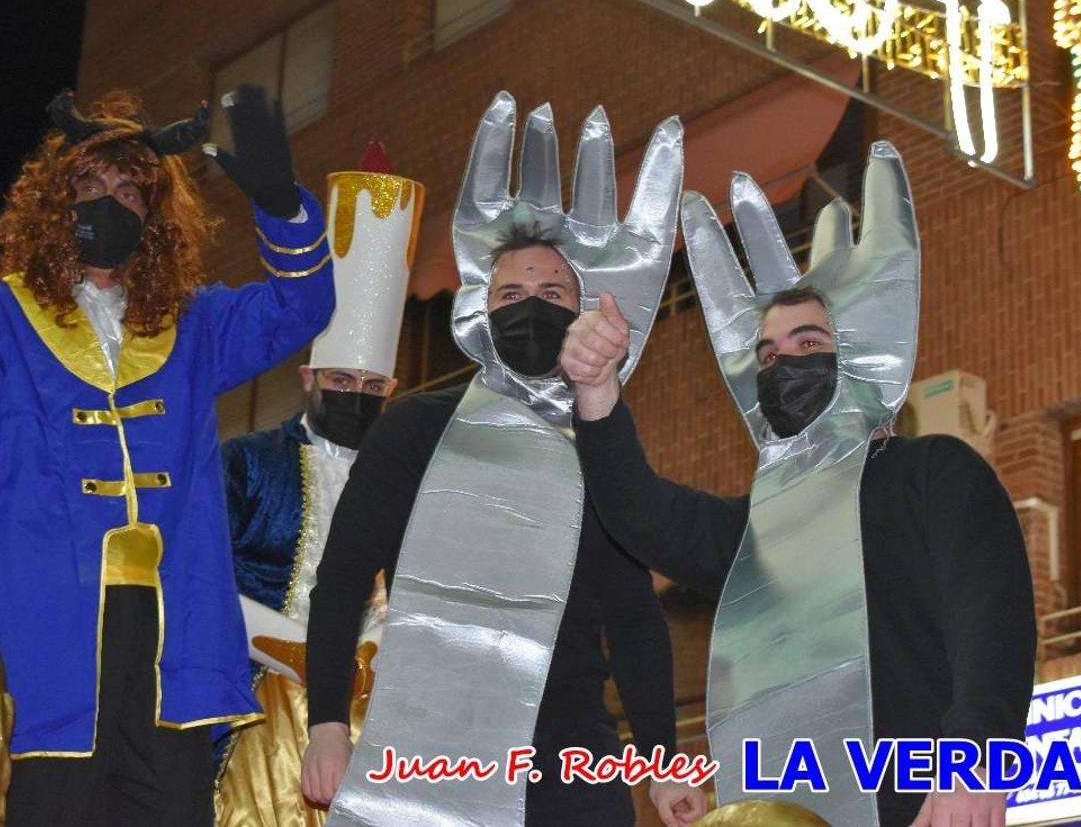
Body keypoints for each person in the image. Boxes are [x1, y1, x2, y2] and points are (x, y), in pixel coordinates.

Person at [0, 83, 335, 826]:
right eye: (91, 184)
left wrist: (282, 207)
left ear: (155, 219)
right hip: (45, 634)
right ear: (52, 203)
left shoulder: (193, 325)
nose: (112, 202)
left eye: (131, 191)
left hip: (177, 641)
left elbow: (302, 305)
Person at [562, 274, 1036, 823]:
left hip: (919, 801)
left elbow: (991, 617)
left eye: (809, 344)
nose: (783, 365)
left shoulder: (932, 472)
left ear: (863, 358)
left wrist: (975, 760)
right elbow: (642, 515)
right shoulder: (759, 525)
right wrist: (597, 391)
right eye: (768, 356)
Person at [303, 226, 702, 826]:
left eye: (552, 291)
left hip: (568, 741)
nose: (532, 305)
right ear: (481, 315)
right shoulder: (414, 429)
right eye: (510, 295)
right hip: (426, 733)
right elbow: (342, 578)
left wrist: (661, 761)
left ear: (582, 312)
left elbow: (632, 614)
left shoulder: (603, 445)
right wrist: (327, 724)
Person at [214, 143, 423, 827]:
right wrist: (308, 655)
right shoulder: (244, 464)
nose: (356, 395)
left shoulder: (419, 482)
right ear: (308, 377)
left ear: (392, 389)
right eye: (341, 382)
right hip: (264, 706)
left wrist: (376, 656)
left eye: (371, 386)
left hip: (392, 717)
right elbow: (198, 581)